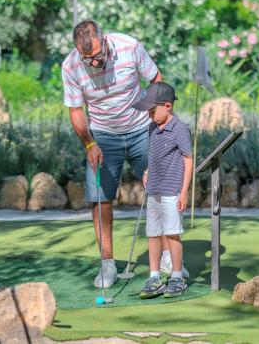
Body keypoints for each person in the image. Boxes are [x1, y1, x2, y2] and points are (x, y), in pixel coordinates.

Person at [62, 19, 187, 288]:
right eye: (88, 60)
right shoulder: (71, 66)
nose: (94, 64)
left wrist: (159, 121)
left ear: (104, 40)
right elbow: (75, 111)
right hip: (103, 135)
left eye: (97, 56)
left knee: (161, 191)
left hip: (143, 128)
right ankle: (107, 265)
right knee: (100, 199)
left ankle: (167, 256)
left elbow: (155, 79)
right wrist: (89, 144)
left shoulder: (129, 47)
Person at [133, 82, 193, 298]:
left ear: (167, 106)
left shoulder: (180, 129)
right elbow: (155, 156)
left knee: (172, 233)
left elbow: (188, 159)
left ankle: (177, 277)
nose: (149, 115)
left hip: (172, 191)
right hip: (154, 190)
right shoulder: (152, 128)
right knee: (153, 234)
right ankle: (155, 276)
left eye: (152, 110)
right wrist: (148, 171)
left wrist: (184, 191)